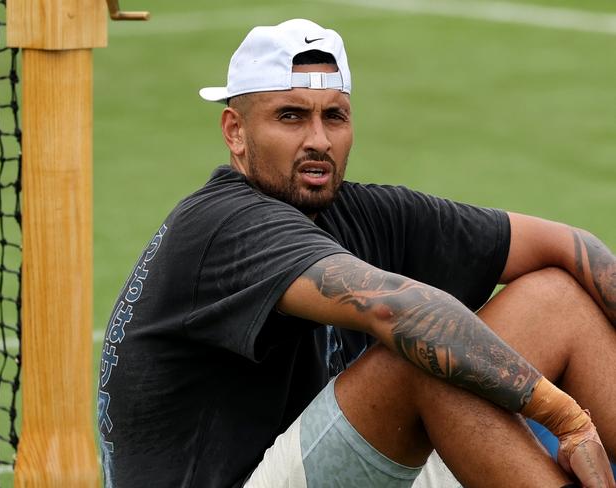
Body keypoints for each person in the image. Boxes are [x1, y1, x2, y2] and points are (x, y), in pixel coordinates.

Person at [97, 18, 616, 488]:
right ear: (236, 131)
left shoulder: (356, 210)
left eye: (335, 117)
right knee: (422, 351)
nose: (319, 140)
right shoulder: (223, 225)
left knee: (557, 300)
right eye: (291, 117)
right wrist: (566, 418)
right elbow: (404, 314)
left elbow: (574, 247)